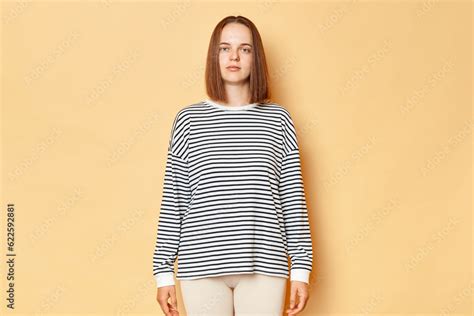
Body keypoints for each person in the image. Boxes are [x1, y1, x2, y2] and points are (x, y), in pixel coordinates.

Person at [153, 15, 314, 316]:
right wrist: (162, 272)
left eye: (245, 49)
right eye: (225, 48)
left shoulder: (278, 120)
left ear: (257, 58)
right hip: (200, 266)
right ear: (215, 56)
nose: (235, 57)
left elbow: (292, 199)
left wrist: (301, 270)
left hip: (264, 265)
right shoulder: (189, 120)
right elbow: (174, 200)